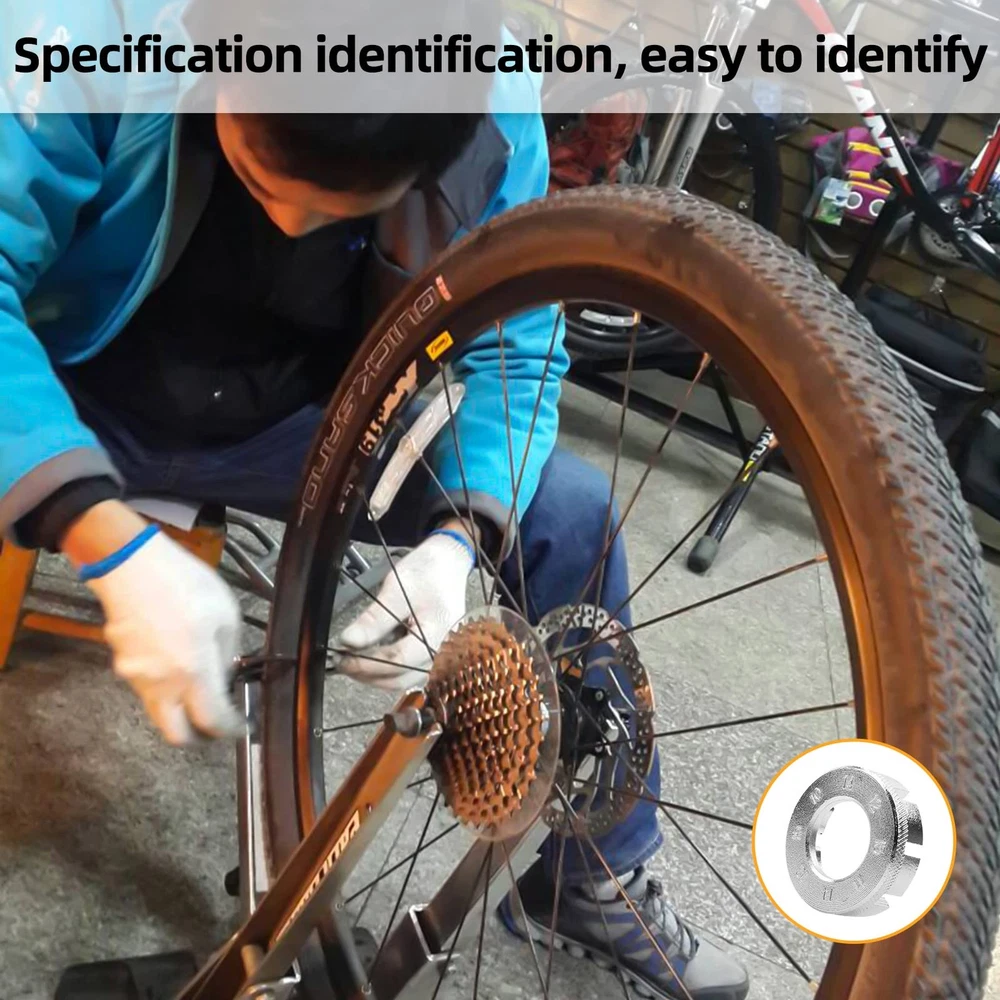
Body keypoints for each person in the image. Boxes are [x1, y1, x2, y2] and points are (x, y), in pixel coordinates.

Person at [0, 2, 748, 997]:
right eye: (265, 175)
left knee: (567, 511)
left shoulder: (490, 109)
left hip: (312, 422)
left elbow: (515, 354)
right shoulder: (85, 33)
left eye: (338, 208)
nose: (290, 225)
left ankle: (589, 878)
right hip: (76, 386)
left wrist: (459, 537)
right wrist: (96, 525)